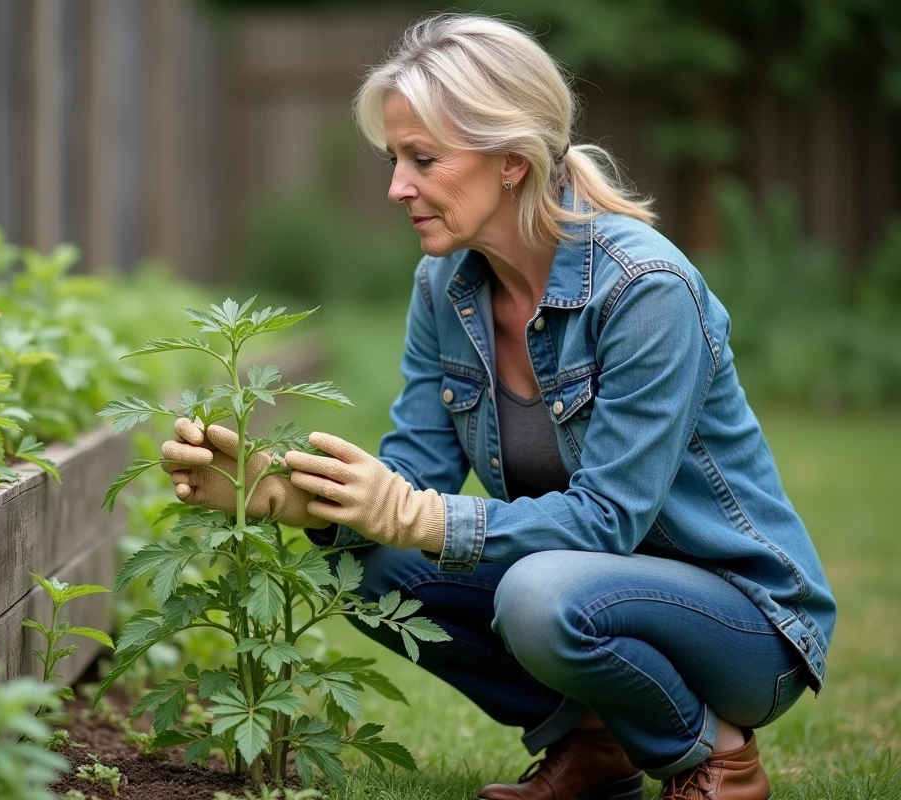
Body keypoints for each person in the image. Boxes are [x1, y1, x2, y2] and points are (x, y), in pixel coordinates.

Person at [160, 13, 835, 800]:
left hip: (743, 624)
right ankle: (592, 744)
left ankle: (712, 755)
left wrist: (424, 517)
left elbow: (608, 519)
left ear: (511, 162)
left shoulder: (646, 291)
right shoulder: (445, 288)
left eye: (423, 160)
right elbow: (412, 473)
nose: (396, 187)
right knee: (362, 563)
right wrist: (286, 496)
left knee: (539, 593)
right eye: (394, 158)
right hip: (592, 596)